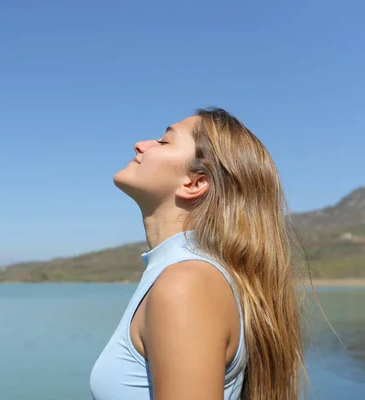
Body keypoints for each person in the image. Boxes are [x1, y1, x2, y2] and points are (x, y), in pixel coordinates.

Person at [89, 107, 309, 400]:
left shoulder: (186, 282)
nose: (141, 144)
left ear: (195, 183)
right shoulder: (182, 275)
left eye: (164, 141)